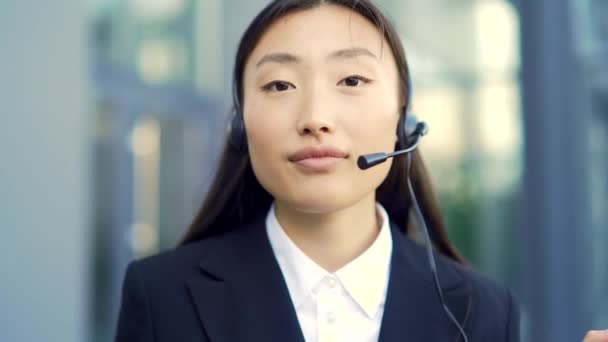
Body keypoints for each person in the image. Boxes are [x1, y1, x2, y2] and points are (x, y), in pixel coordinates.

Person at [115, 0, 524, 341]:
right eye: (279, 85)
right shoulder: (162, 297)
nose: (315, 118)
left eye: (351, 79)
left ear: (403, 121)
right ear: (240, 124)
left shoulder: (483, 310)